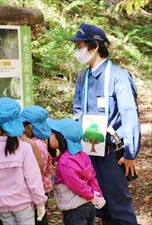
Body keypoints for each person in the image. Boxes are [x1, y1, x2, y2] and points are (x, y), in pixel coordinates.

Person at [69, 24, 140, 225]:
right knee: (101, 207)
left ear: (95, 46)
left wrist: (130, 154)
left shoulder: (118, 76)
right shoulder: (83, 76)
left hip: (111, 155)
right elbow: (77, 109)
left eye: (81, 46)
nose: (78, 51)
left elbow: (129, 114)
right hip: (88, 152)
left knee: (120, 209)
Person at [0, 98, 47, 225]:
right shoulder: (25, 147)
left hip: (1, 205)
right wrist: (40, 202)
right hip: (23, 205)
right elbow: (34, 179)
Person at [47, 118, 106, 225]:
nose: (49, 136)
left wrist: (91, 195)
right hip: (89, 205)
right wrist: (98, 195)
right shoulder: (83, 156)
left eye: (53, 133)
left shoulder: (65, 162)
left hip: (74, 208)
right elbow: (92, 178)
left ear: (61, 138)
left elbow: (76, 184)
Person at [20, 105, 53, 225]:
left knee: (38, 218)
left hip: (37, 192)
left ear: (28, 127)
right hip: (39, 190)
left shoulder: (35, 145)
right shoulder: (39, 141)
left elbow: (35, 171)